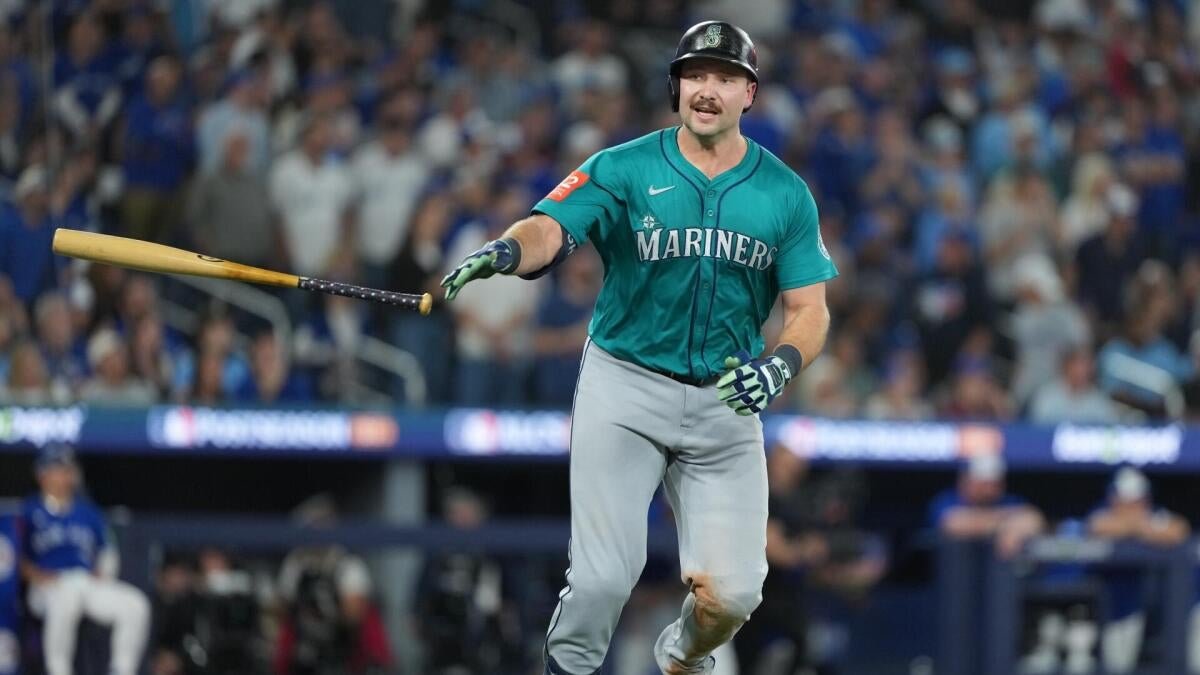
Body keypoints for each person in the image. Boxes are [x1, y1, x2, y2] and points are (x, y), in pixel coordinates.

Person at [441, 21, 838, 674]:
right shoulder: (622, 166)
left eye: (724, 78)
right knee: (602, 581)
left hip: (725, 398)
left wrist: (781, 364)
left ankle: (681, 659)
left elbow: (809, 311)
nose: (707, 89)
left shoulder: (785, 193)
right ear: (675, 86)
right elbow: (550, 226)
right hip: (625, 385)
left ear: (749, 94)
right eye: (695, 75)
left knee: (734, 596)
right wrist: (509, 248)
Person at [17, 444, 150, 675]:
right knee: (65, 597)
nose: (65, 475)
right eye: (58, 469)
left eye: (68, 469)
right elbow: (13, 553)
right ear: (42, 474)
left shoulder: (88, 511)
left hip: (83, 581)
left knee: (135, 605)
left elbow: (107, 550)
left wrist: (104, 573)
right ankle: (59, 670)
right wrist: (33, 575)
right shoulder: (27, 510)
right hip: (46, 586)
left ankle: (122, 670)